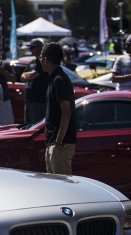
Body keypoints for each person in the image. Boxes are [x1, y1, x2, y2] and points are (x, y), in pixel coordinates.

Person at [40, 43, 76, 175]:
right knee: (53, 183)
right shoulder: (53, 78)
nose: (40, 60)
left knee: (63, 184)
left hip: (61, 144)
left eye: (40, 57)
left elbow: (66, 113)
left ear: (45, 59)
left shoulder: (59, 79)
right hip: (53, 142)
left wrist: (59, 142)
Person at [20, 38, 49, 124]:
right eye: (31, 47)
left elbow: (33, 75)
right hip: (29, 99)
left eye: (33, 47)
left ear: (40, 48)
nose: (31, 49)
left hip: (39, 100)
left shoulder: (43, 62)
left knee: (35, 124)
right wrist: (29, 75)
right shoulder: (32, 62)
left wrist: (28, 75)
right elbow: (22, 77)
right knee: (27, 124)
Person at [0, 48, 15, 125]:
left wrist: (4, 72)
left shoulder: (5, 65)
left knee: (8, 123)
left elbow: (13, 79)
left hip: (4, 100)